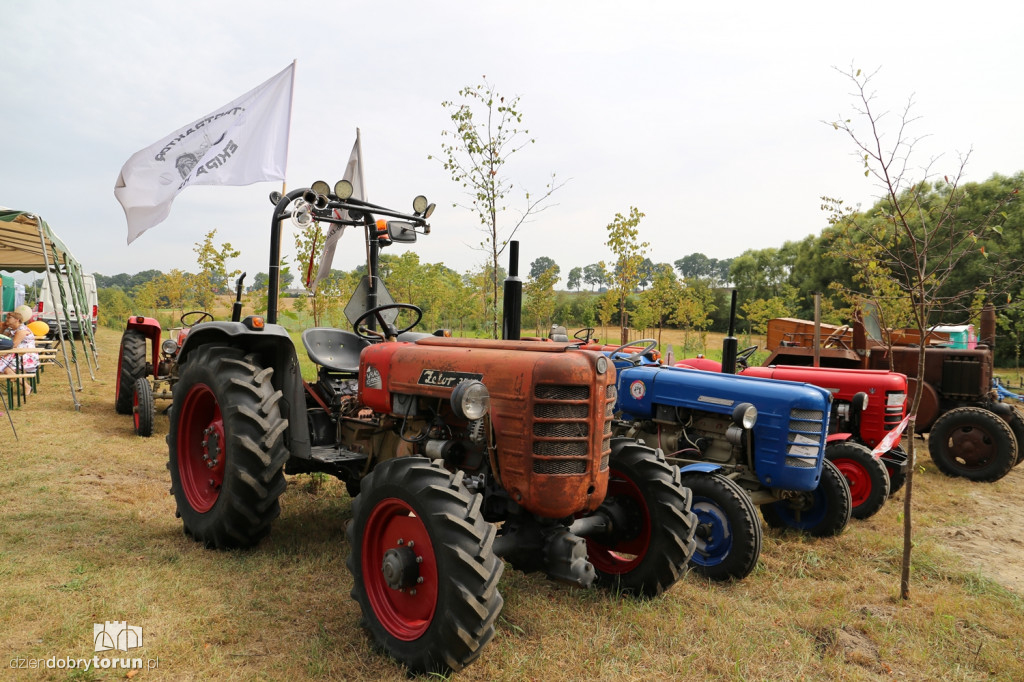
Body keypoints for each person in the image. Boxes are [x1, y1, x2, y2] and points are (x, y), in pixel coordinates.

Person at [0, 311, 38, 386]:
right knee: (4, 367)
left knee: (6, 369)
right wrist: (3, 328)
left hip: (25, 356)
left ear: (17, 319)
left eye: (9, 317)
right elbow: (2, 340)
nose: (6, 319)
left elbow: (13, 345)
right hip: (14, 354)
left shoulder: (22, 330)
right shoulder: (11, 330)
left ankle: (27, 387)